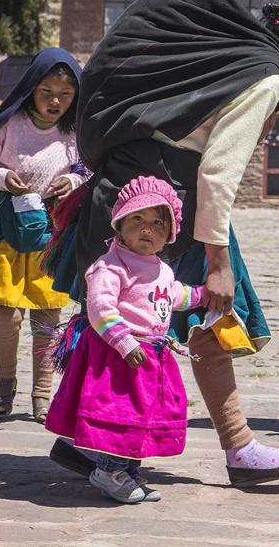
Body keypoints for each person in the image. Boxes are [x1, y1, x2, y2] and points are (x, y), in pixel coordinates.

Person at [46, 0, 279, 487]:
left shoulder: (234, 55)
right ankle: (238, 450)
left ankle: (89, 442)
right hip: (167, 208)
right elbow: (217, 172)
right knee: (201, 317)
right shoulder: (265, 77)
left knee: (126, 319)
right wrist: (218, 263)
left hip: (123, 193)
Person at [45, 176, 204, 503]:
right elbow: (100, 306)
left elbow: (173, 296)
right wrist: (125, 343)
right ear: (120, 223)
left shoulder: (161, 268)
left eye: (158, 223)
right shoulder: (112, 265)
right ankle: (108, 471)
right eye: (138, 219)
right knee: (120, 416)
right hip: (119, 358)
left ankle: (128, 472)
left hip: (151, 359)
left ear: (169, 235)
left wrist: (204, 296)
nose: (147, 229)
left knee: (141, 419)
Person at [0, 48, 87, 422]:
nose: (56, 101)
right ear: (31, 87)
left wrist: (73, 180)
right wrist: (2, 178)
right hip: (9, 230)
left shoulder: (75, 131)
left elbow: (88, 169)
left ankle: (42, 396)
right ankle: (5, 382)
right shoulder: (9, 125)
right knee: (5, 313)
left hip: (52, 229)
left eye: (65, 93)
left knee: (48, 314)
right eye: (46, 91)